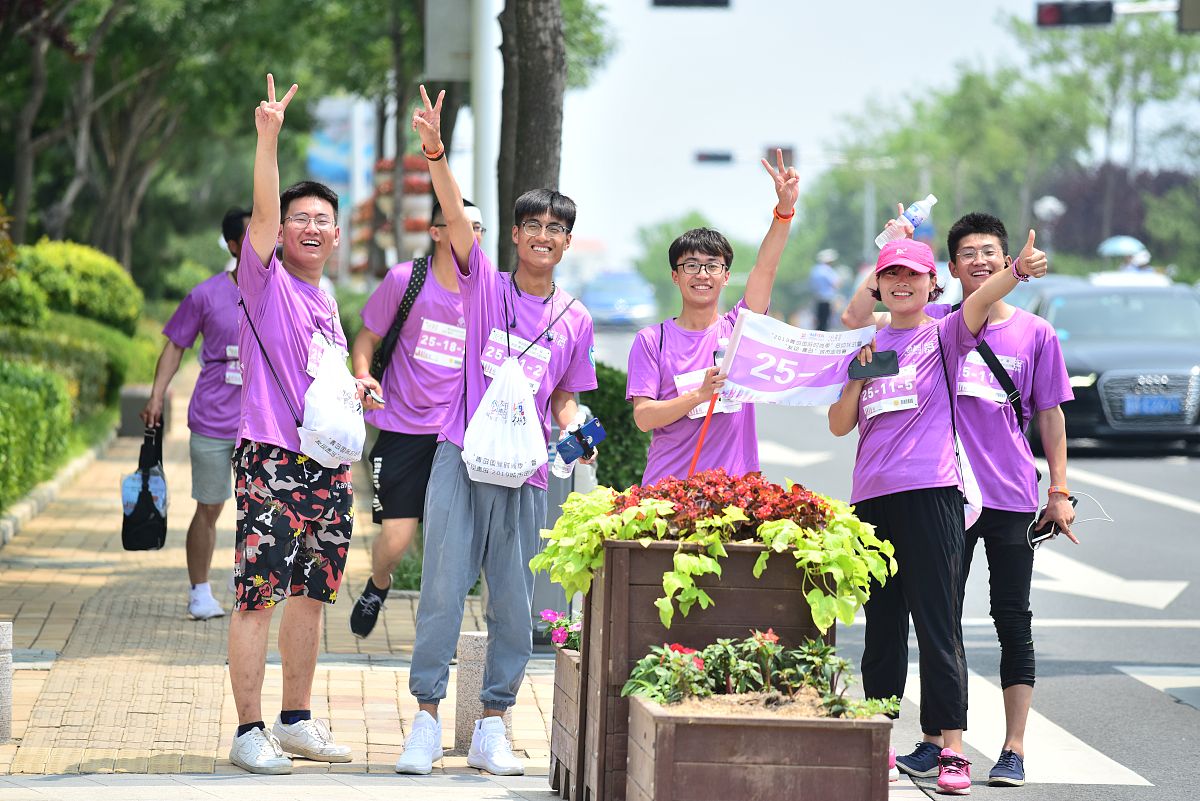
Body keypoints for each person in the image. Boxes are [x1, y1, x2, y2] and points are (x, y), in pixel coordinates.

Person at [394, 85, 597, 777]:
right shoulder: (484, 286)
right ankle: (423, 720)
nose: (543, 235)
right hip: (460, 456)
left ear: (567, 241)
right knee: (443, 593)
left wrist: (578, 424)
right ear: (513, 235)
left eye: (555, 228)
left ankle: (492, 723)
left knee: (515, 605)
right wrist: (435, 152)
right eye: (532, 225)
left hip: (526, 473)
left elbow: (566, 395)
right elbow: (455, 213)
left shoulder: (574, 317)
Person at [842, 212, 1073, 788]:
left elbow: (1050, 413)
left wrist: (1060, 489)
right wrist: (891, 246)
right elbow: (855, 341)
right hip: (943, 493)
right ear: (951, 268)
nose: (980, 261)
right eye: (967, 253)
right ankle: (927, 742)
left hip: (1003, 494)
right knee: (914, 618)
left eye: (988, 252)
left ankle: (1008, 747)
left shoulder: (967, 331)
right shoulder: (910, 331)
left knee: (1007, 618)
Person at [226, 74, 383, 775]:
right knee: (258, 594)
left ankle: (294, 720)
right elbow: (263, 210)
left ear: (337, 233)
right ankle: (248, 729)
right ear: (280, 232)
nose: (312, 228)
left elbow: (316, 379)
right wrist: (269, 137)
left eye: (324, 220)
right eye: (300, 219)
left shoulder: (323, 301)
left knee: (313, 593)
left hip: (326, 465)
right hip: (270, 457)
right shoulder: (265, 279)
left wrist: (359, 386)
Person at [347, 199, 486, 639]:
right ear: (438, 232)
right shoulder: (406, 280)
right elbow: (367, 339)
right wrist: (364, 376)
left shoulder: (488, 290)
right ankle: (379, 583)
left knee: (448, 547)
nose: (473, 233)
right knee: (396, 539)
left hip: (458, 436)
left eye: (479, 226)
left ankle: (437, 631)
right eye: (464, 224)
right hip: (402, 430)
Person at [626, 150, 799, 486]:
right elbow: (644, 418)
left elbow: (766, 267)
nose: (701, 275)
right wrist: (698, 395)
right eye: (691, 266)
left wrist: (784, 211)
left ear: (725, 276)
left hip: (735, 492)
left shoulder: (740, 328)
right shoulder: (652, 340)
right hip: (668, 492)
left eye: (712, 266)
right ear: (676, 276)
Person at [140, 207, 250, 620]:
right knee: (210, 505)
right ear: (235, 245)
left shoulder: (282, 290)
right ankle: (199, 590)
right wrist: (155, 395)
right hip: (214, 419)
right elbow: (175, 345)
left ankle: (243, 576)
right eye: (253, 232)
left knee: (258, 507)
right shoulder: (205, 294)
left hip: (263, 424)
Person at [808, 247, 842, 331]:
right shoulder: (828, 270)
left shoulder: (815, 270)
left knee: (819, 320)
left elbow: (811, 285)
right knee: (825, 322)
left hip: (817, 298)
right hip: (827, 299)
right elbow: (836, 283)